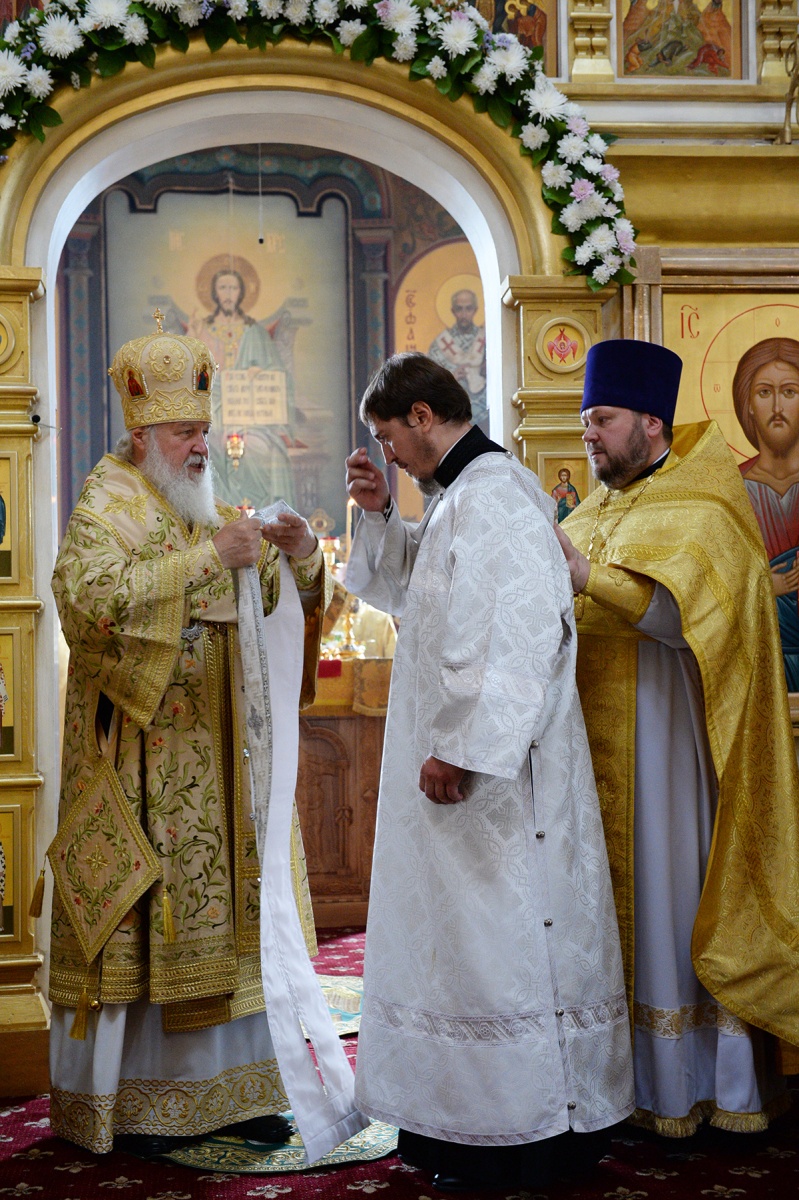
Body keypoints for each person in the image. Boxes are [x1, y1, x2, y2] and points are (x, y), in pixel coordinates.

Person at [345, 352, 634, 1191]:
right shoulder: (459, 498)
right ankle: (465, 1123)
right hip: (468, 779)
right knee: (461, 948)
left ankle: (519, 1132)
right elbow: (419, 593)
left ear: (423, 416)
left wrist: (461, 747)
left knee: (501, 943)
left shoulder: (496, 498)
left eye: (388, 436)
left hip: (499, 787)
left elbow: (516, 632)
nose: (389, 452)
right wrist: (378, 513)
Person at [48, 318, 330, 1157]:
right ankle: (138, 1103)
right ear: (142, 436)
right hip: (142, 764)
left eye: (203, 429)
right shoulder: (106, 503)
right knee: (153, 922)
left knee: (235, 921)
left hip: (223, 760)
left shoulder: (205, 505)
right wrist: (209, 562)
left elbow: (271, 596)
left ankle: (239, 1094)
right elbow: (87, 603)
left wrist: (300, 554)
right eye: (183, 432)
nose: (200, 445)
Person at [556, 337, 799, 1137]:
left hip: (665, 752)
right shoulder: (589, 512)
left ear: (650, 423)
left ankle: (689, 1092)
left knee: (668, 909)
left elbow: (687, 620)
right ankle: (615, 1090)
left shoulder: (706, 507)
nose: (588, 434)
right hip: (589, 752)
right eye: (586, 420)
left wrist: (587, 578)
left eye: (602, 419)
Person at [186, 266, 296, 510]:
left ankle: (262, 515)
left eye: (233, 288)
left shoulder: (254, 332)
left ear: (241, 292)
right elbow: (191, 376)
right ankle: (217, 513)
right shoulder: (201, 329)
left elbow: (278, 377)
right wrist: (192, 336)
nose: (228, 294)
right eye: (223, 288)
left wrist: (259, 373)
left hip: (250, 413)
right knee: (210, 444)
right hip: (212, 409)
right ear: (214, 293)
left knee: (258, 449)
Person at [732, 337, 799, 689]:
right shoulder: (728, 491)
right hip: (755, 666)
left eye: (789, 392)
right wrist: (762, 586)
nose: (776, 406)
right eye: (764, 393)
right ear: (747, 405)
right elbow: (707, 582)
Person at [427, 289, 488, 430]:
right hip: (451, 416)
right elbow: (429, 382)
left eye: (468, 308)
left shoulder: (487, 339)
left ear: (475, 310)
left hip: (484, 416)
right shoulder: (440, 344)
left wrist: (486, 372)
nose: (464, 314)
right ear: (453, 311)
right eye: (459, 309)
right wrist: (451, 377)